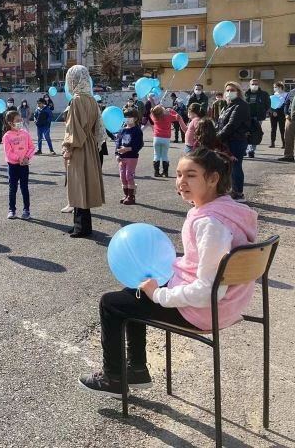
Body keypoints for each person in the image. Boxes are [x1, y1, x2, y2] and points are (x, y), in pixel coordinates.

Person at [78, 148, 258, 397]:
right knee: (133, 293)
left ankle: (113, 378)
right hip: (223, 305)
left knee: (111, 304)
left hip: (204, 311)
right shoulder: (227, 210)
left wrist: (159, 296)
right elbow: (208, 266)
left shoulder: (211, 224)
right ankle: (136, 369)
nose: (181, 182)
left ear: (213, 178)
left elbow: (208, 291)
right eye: (178, 174)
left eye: (191, 175)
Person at [61, 65, 105, 238]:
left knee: (78, 184)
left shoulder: (77, 99)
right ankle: (81, 225)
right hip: (89, 145)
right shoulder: (91, 99)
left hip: (79, 148)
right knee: (84, 185)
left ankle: (81, 227)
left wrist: (68, 147)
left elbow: (74, 128)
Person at [216, 81, 250, 202]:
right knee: (228, 167)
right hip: (227, 140)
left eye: (232, 90)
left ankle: (239, 193)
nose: (229, 92)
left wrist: (216, 138)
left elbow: (231, 125)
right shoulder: (228, 105)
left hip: (236, 140)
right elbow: (220, 123)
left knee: (235, 166)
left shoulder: (241, 105)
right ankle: (231, 190)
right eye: (228, 90)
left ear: (238, 92)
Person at [3, 110, 35, 219]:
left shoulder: (25, 133)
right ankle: (12, 210)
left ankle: (27, 210)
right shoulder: (7, 136)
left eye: (20, 120)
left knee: (24, 187)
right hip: (13, 166)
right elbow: (8, 152)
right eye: (17, 120)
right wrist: (19, 158)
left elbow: (31, 147)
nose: (20, 122)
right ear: (10, 123)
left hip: (24, 165)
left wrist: (27, 157)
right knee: (13, 188)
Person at [114, 108, 143, 205]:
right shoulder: (122, 130)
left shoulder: (137, 131)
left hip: (132, 156)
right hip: (122, 157)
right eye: (126, 117)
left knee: (129, 176)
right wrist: (117, 154)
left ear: (135, 118)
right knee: (122, 176)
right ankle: (126, 194)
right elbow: (117, 143)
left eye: (130, 117)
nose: (127, 119)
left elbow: (139, 144)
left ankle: (131, 196)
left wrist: (128, 149)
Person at [149, 104, 185, 178]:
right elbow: (177, 117)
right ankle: (165, 172)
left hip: (157, 137)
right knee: (164, 155)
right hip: (166, 138)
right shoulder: (168, 116)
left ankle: (156, 172)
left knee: (156, 155)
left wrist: (158, 107)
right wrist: (171, 110)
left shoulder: (154, 116)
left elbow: (153, 112)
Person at [244, 79, 270, 158]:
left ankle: (251, 151)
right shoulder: (245, 94)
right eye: (253, 84)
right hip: (246, 117)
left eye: (256, 84)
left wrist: (262, 112)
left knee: (255, 134)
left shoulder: (264, 94)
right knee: (245, 133)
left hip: (258, 117)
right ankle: (243, 150)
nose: (254, 85)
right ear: (249, 85)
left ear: (259, 85)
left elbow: (267, 104)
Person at [269, 81, 287, 148]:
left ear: (280, 87)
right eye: (274, 87)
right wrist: (273, 111)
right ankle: (272, 143)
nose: (274, 88)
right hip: (273, 114)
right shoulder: (273, 95)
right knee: (273, 128)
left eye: (275, 87)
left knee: (282, 129)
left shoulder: (286, 95)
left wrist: (279, 112)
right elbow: (270, 105)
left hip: (281, 113)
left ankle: (284, 143)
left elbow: (286, 105)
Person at [279, 88, 295, 162]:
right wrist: (286, 114)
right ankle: (288, 156)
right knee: (288, 137)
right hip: (290, 118)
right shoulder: (292, 92)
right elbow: (286, 103)